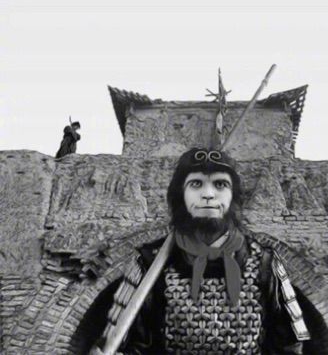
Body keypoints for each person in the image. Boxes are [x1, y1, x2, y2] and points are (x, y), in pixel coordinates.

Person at [92, 148, 310, 354]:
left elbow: (287, 347)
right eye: (196, 184)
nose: (208, 194)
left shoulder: (264, 263)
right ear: (181, 195)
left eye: (220, 184)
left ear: (233, 196)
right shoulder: (148, 263)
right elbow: (133, 346)